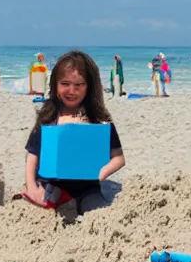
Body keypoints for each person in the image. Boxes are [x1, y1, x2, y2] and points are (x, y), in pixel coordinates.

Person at [21, 50, 126, 216]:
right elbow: (32, 155)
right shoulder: (48, 118)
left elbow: (119, 157)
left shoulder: (98, 120)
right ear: (55, 85)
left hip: (88, 188)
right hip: (51, 185)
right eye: (65, 84)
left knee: (95, 209)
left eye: (79, 85)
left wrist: (103, 172)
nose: (71, 90)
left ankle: (73, 205)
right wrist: (32, 186)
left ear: (89, 86)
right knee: (43, 200)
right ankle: (61, 202)